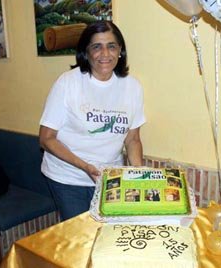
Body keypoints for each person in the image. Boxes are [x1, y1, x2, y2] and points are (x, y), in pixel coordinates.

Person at [39, 20, 146, 221]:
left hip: (109, 178)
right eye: (97, 47)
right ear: (86, 52)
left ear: (120, 51)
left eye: (111, 46)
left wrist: (138, 173)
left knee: (107, 232)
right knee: (80, 236)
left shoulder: (133, 87)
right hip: (68, 177)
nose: (105, 54)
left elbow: (132, 139)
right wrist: (85, 166)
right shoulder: (68, 82)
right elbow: (46, 139)